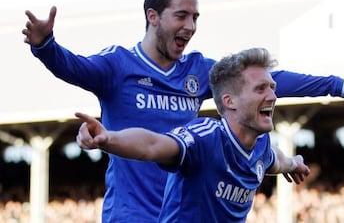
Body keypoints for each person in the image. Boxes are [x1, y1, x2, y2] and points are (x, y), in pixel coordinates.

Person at [22, 0, 344, 222]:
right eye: (181, 15)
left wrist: (338, 85)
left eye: (195, 17)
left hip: (183, 213)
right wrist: (45, 46)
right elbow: (71, 67)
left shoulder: (200, 71)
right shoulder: (117, 65)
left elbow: (262, 82)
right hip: (132, 215)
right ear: (153, 16)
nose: (191, 26)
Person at [76, 47, 311, 222]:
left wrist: (294, 163)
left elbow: (275, 159)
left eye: (272, 88)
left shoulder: (260, 147)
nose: (272, 97)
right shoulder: (204, 138)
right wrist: (109, 139)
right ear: (230, 101)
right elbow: (152, 145)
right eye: (260, 89)